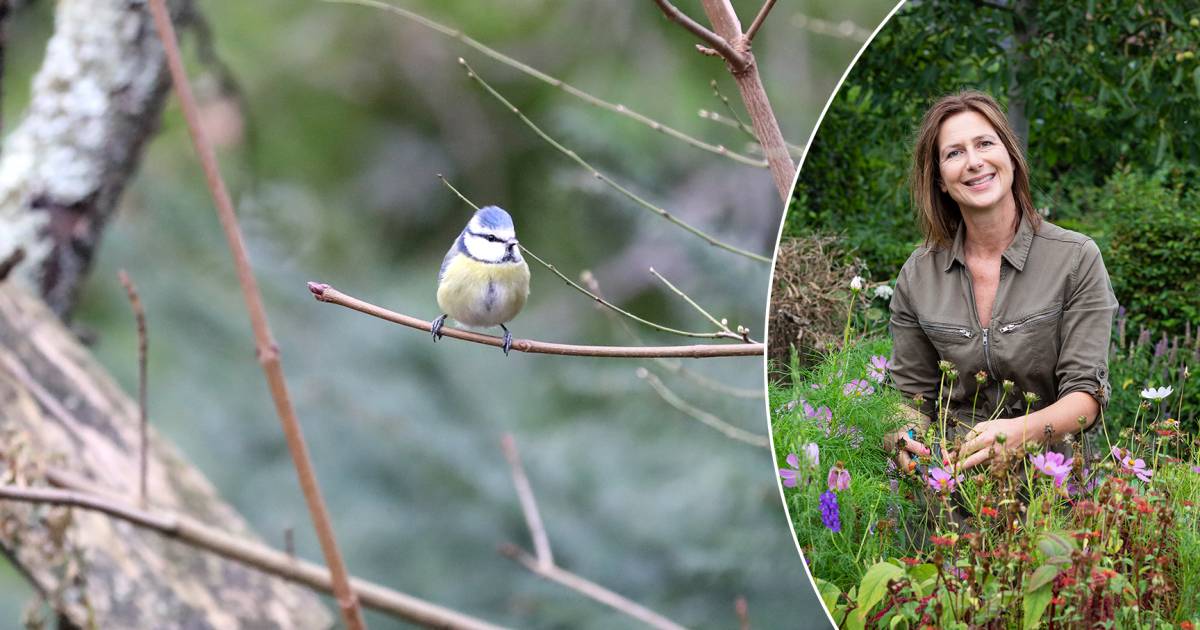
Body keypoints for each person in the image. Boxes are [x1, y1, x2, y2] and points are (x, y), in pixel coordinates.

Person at [886, 91, 1117, 474]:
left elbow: (1086, 396)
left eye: (984, 144)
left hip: (1052, 491)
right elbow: (910, 395)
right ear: (940, 179)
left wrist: (1019, 433)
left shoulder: (1075, 259)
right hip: (948, 497)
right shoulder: (918, 274)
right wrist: (903, 434)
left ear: (1010, 155)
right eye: (954, 153)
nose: (974, 162)